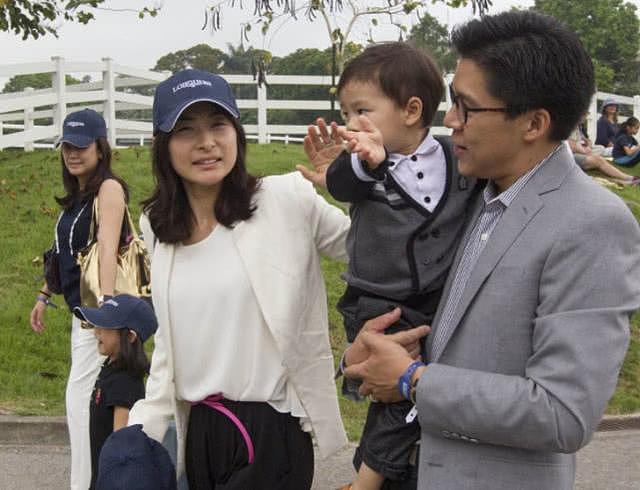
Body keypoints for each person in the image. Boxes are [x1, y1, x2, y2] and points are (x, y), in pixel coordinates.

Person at [342, 11, 640, 490]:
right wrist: (365, 354)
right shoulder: (470, 195)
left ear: (533, 123)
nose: (450, 119)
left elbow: (563, 413)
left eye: (466, 106)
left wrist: (413, 381)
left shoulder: (592, 224)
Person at [127, 69, 353, 489]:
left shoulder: (286, 198)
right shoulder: (157, 225)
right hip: (201, 431)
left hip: (270, 429)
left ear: (236, 132)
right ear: (164, 146)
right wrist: (147, 429)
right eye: (186, 130)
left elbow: (367, 253)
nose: (206, 142)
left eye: (218, 125)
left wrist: (356, 185)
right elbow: (170, 346)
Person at [299, 42, 479, 490]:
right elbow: (341, 185)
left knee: (407, 394)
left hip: (432, 301)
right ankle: (366, 481)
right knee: (401, 393)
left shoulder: (457, 160)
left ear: (412, 110)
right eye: (345, 111)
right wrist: (367, 163)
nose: (349, 123)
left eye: (361, 110)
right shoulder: (359, 166)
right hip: (377, 299)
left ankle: (374, 469)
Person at [29, 108, 128, 490]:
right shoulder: (77, 197)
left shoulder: (109, 189)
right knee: (88, 402)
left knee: (83, 401)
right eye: (67, 146)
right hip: (82, 315)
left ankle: (86, 483)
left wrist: (105, 310)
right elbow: (62, 253)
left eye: (81, 145)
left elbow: (106, 249)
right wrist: (43, 294)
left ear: (100, 148)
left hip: (98, 315)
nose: (72, 153)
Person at [73, 294, 158, 490]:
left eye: (104, 327)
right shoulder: (110, 369)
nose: (96, 333)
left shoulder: (125, 382)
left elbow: (121, 445)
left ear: (129, 336)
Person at [567, 121, 639, 184]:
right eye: (636, 128)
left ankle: (628, 179)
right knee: (599, 159)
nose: (637, 130)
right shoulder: (623, 137)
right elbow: (629, 153)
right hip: (570, 155)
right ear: (628, 127)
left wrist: (587, 145)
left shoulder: (578, 127)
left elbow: (584, 140)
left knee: (600, 151)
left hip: (580, 150)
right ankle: (630, 179)